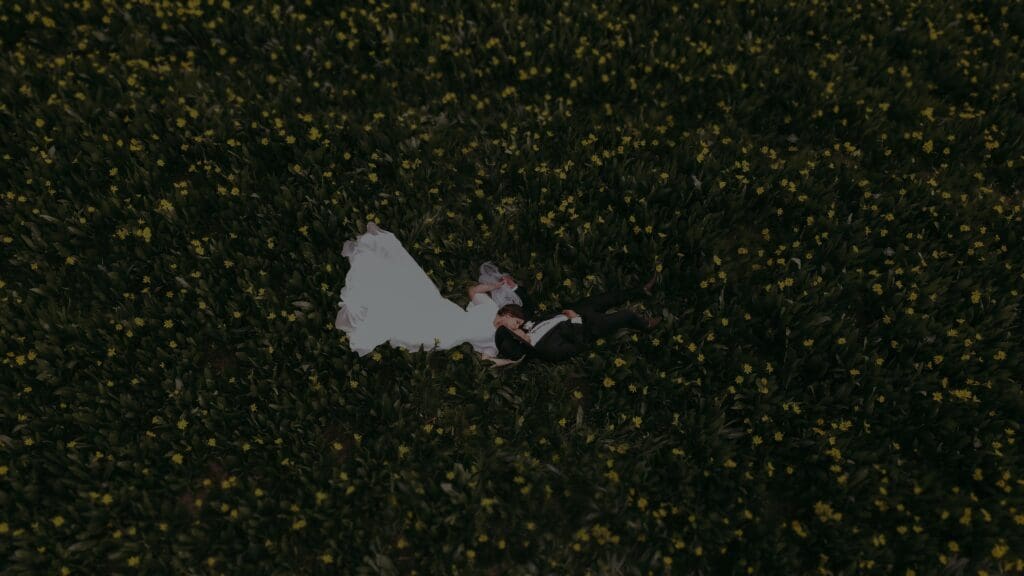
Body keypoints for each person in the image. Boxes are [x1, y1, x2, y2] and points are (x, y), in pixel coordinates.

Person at [334, 222, 504, 357]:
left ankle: (379, 307)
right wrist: (495, 286)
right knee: (415, 288)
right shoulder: (492, 308)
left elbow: (487, 361)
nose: (514, 327)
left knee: (408, 323)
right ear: (511, 315)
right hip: (450, 313)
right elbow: (473, 291)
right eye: (516, 323)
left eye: (516, 330)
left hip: (450, 336)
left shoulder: (496, 342)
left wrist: (511, 361)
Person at [493, 276, 660, 363]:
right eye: (515, 333)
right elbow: (579, 346)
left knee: (607, 298)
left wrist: (514, 287)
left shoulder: (527, 327)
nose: (515, 329)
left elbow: (528, 306)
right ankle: (646, 325)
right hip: (589, 327)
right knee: (626, 315)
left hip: (576, 310)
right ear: (522, 342)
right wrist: (575, 320)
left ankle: (641, 291)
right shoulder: (548, 351)